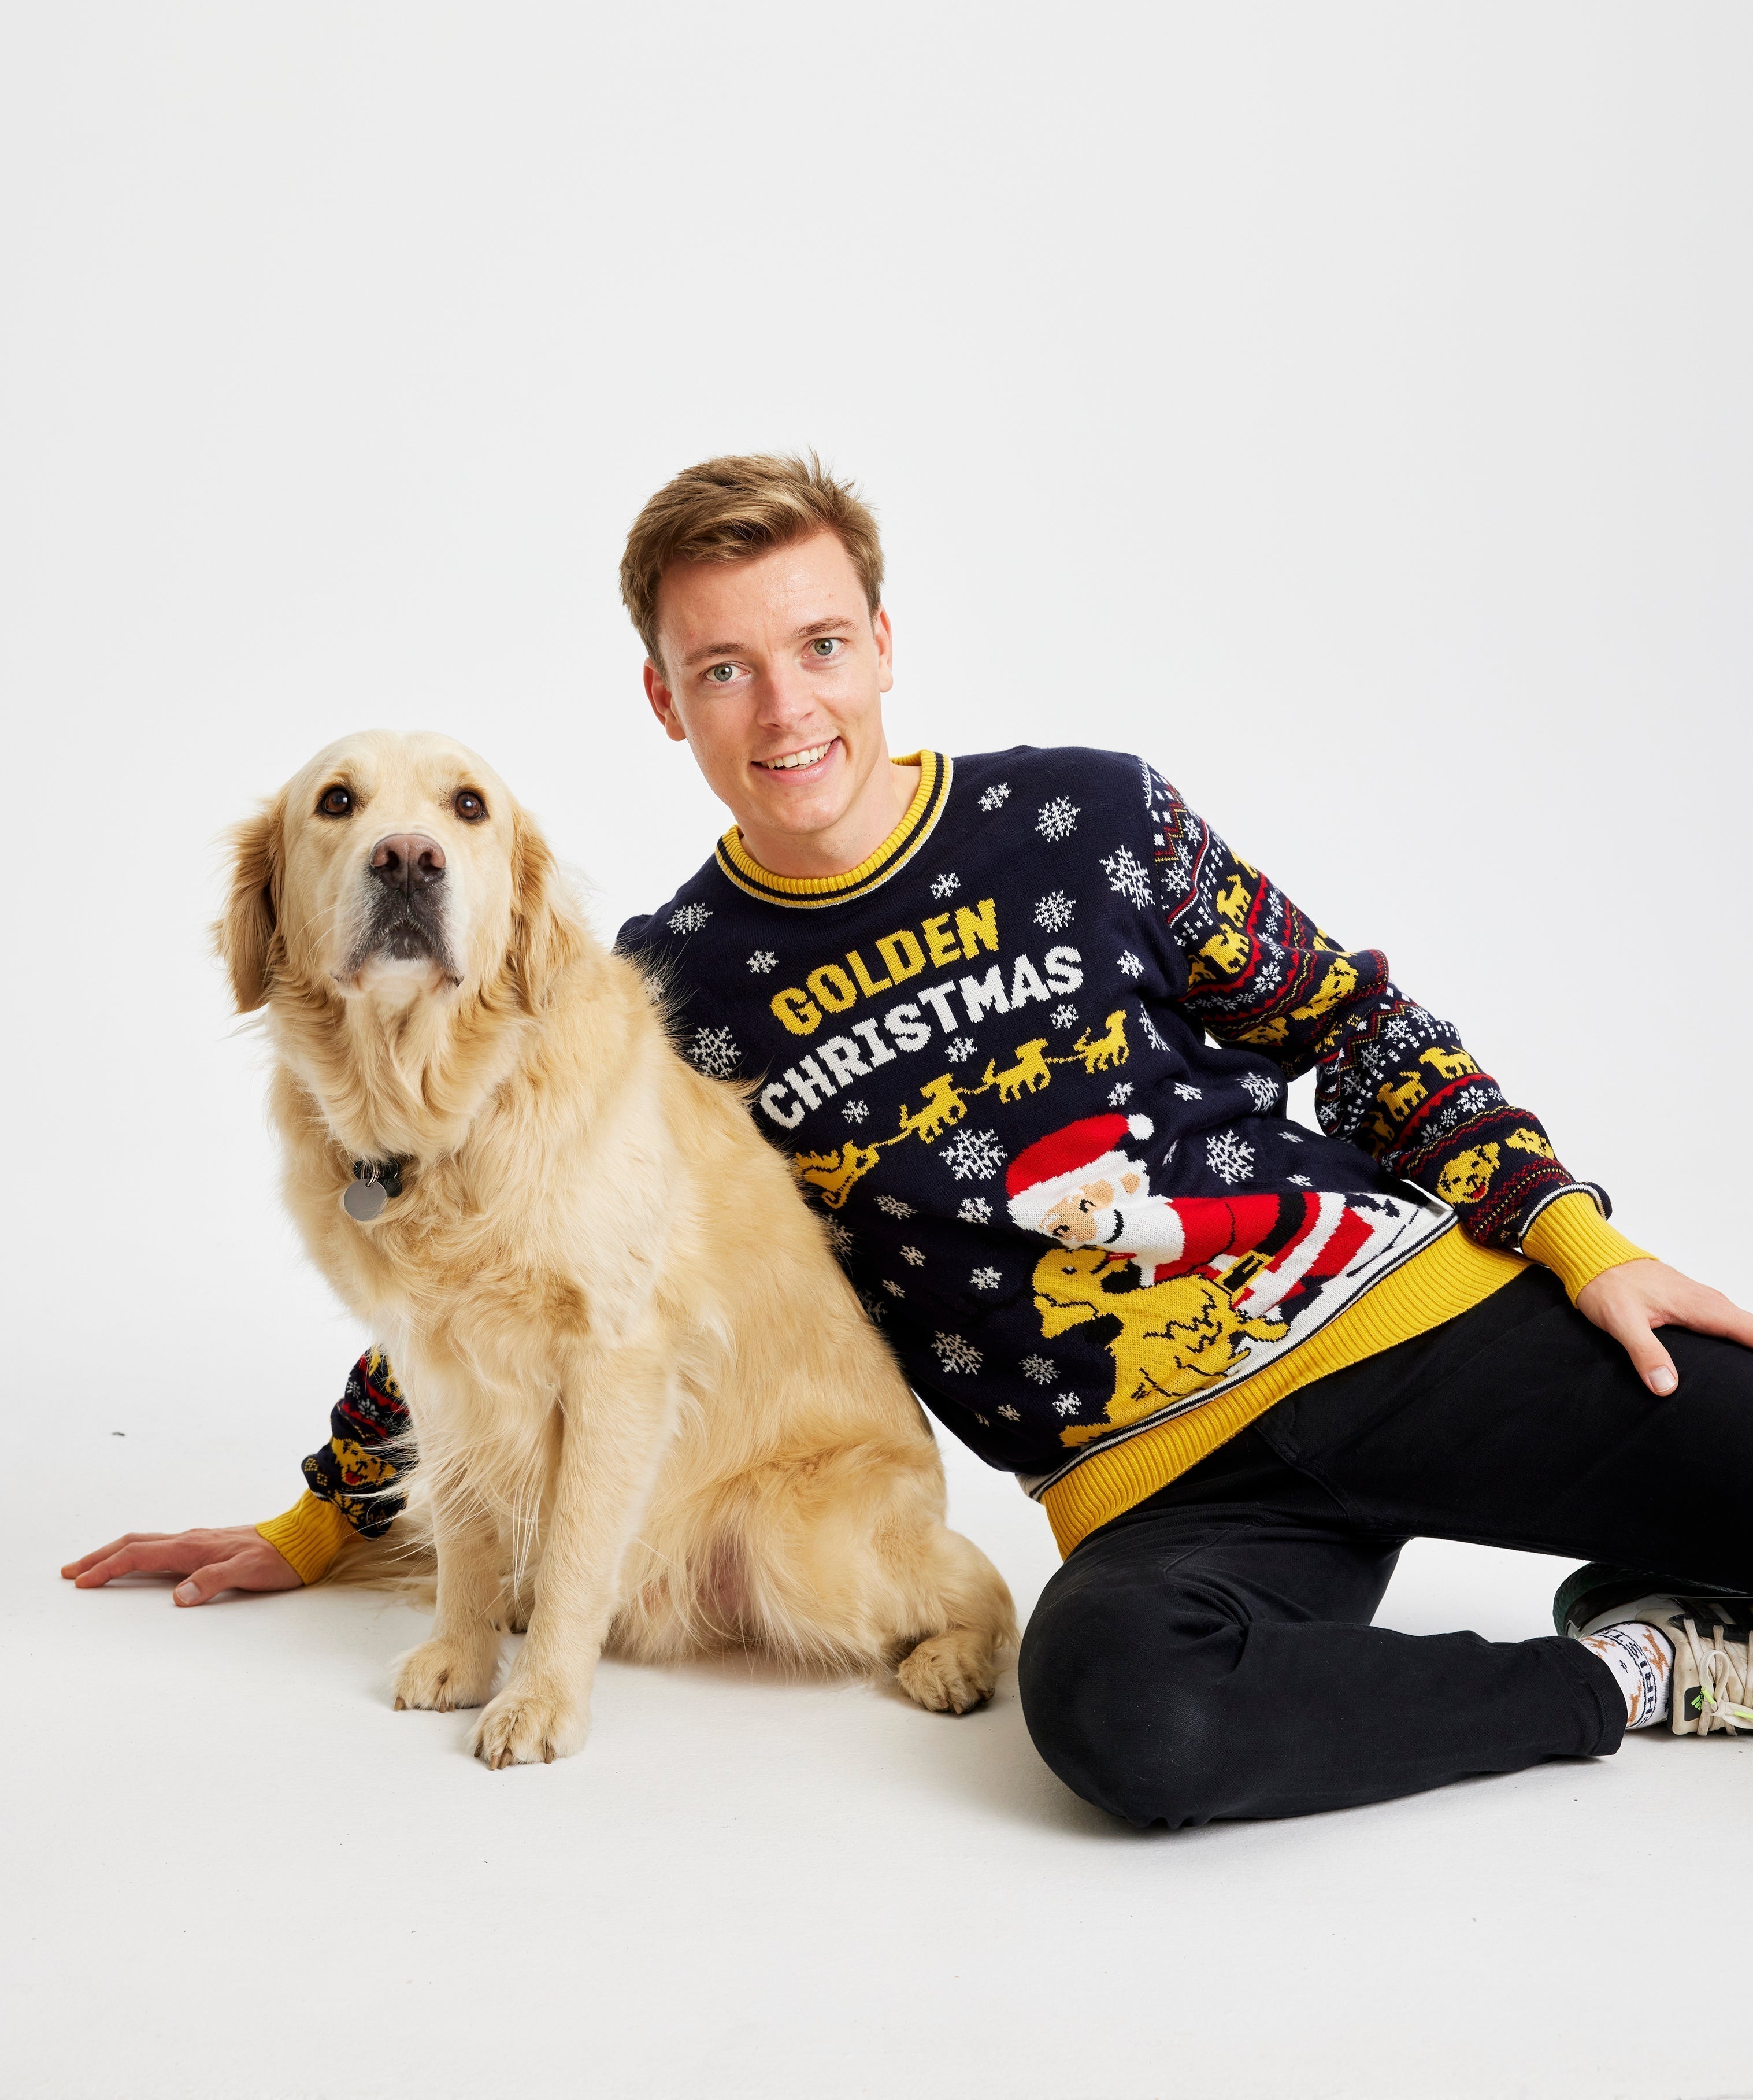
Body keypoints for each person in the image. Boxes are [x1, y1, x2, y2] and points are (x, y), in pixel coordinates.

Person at [65, 451, 1753, 1821]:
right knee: (1120, 1721)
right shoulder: (669, 994)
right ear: (664, 700)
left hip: (1396, 1323)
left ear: (881, 642)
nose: (780, 705)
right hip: (1146, 1489)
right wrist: (317, 1516)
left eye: (814, 646)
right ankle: (1632, 1670)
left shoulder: (1092, 816)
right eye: (721, 666)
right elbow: (484, 1272)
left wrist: (1576, 1239)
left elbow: (1350, 1025)